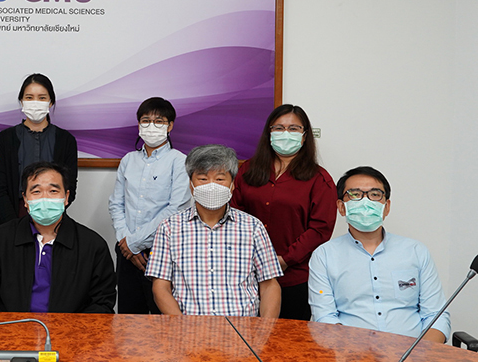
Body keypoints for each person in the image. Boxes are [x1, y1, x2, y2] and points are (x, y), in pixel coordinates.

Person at [308, 166, 450, 342]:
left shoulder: (415, 251)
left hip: (414, 351)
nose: (365, 201)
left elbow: (436, 316)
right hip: (351, 352)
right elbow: (325, 318)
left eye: (375, 194)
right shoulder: (324, 256)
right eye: (355, 194)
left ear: (386, 207)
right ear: (341, 207)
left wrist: (420, 353)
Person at [146, 144, 282, 317]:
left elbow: (269, 285)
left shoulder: (253, 227)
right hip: (189, 328)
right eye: (203, 179)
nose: (211, 185)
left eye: (219, 179)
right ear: (191, 185)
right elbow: (160, 287)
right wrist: (182, 327)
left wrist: (265, 329)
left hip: (243, 328)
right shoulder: (169, 228)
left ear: (232, 185)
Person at [231, 104, 337, 320]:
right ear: (269, 133)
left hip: (294, 278)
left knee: (287, 338)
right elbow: (234, 214)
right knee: (245, 336)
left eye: (293, 128)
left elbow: (320, 229)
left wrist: (286, 259)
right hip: (246, 274)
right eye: (278, 128)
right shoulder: (247, 170)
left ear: (305, 136)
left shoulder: (319, 179)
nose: (285, 133)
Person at [0, 161, 115, 313]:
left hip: (70, 328)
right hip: (11, 326)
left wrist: (70, 327)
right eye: (36, 192)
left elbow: (102, 303)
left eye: (53, 191)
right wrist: (10, 325)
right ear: (25, 199)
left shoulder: (92, 246)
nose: (45, 199)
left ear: (66, 197)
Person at [108, 97, 191, 314]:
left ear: (170, 126)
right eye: (146, 120)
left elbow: (176, 210)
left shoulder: (179, 161)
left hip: (161, 251)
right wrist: (126, 242)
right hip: (125, 251)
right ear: (138, 124)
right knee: (129, 318)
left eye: (159, 121)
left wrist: (134, 243)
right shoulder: (128, 160)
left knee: (163, 318)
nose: (151, 126)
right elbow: (116, 204)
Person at [0, 73, 78, 226]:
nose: (35, 103)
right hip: (13, 216)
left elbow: (70, 186)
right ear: (21, 101)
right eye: (29, 97)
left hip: (54, 215)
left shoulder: (66, 140)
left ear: (51, 102)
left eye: (42, 98)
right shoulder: (5, 138)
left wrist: (51, 214)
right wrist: (13, 224)